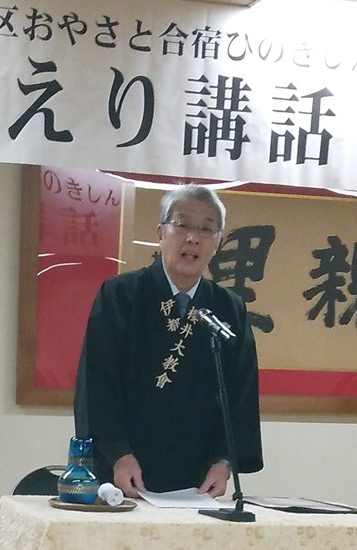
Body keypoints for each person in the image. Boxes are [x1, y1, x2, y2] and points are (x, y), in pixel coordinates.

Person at [73, 184, 263, 499]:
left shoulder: (229, 308)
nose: (193, 238)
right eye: (182, 225)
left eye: (206, 229)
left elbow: (240, 392)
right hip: (123, 474)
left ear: (218, 242)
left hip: (199, 478)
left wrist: (224, 461)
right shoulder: (120, 296)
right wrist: (118, 453)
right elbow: (96, 383)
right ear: (161, 233)